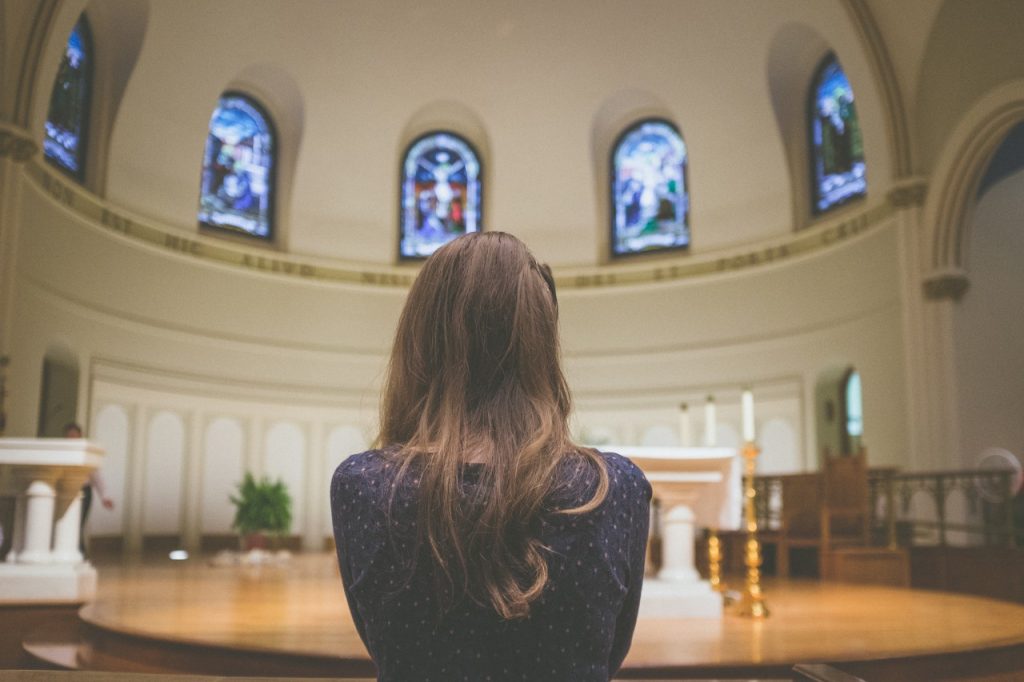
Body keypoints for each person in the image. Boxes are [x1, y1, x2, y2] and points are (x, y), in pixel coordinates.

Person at [331, 232, 651, 681]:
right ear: (541, 344)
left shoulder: (361, 485)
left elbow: (383, 648)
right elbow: (610, 652)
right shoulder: (615, 488)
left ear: (419, 339)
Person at [63, 423, 114, 554]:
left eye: (74, 434)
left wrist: (105, 497)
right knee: (67, 523)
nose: (72, 437)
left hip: (84, 492)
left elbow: (97, 477)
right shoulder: (62, 452)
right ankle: (70, 551)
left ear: (79, 435)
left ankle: (79, 553)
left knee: (78, 524)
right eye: (69, 435)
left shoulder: (86, 453)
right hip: (66, 491)